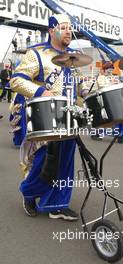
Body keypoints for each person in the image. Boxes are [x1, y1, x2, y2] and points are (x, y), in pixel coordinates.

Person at [10, 14, 87, 220]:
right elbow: (16, 80)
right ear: (52, 30)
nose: (69, 31)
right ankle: (28, 192)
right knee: (44, 161)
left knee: (65, 162)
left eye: (70, 28)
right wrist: (40, 92)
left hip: (69, 117)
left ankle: (56, 204)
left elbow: (79, 85)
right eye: (63, 27)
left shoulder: (74, 56)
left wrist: (87, 91)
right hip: (43, 116)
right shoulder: (36, 53)